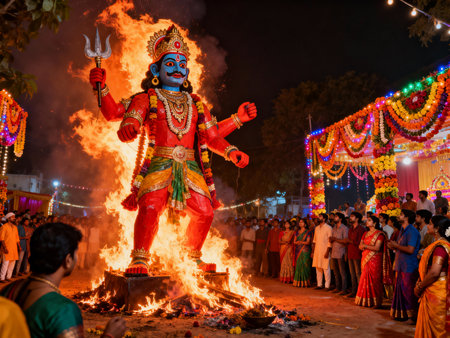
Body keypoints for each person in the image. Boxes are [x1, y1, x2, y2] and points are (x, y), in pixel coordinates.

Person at [89, 25, 256, 276]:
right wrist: (102, 89)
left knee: (205, 212)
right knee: (150, 208)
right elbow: (116, 115)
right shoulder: (146, 98)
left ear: (187, 72)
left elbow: (211, 137)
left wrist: (232, 151)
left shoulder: (197, 103)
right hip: (158, 165)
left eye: (181, 64)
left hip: (189, 168)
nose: (177, 68)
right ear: (156, 70)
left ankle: (192, 257)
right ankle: (140, 258)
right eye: (170, 63)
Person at [0, 223, 126, 338]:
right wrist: (110, 335)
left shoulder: (9, 290)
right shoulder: (64, 310)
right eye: (75, 253)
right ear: (68, 260)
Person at [414, 217, 450, 337]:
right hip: (439, 290)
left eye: (430, 224)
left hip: (436, 293)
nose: (428, 226)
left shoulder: (440, 248)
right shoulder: (442, 245)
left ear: (437, 229)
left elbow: (434, 272)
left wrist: (420, 286)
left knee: (437, 330)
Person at [388, 209, 421, 323]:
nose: (399, 216)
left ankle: (413, 317)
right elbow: (400, 247)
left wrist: (396, 245)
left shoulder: (412, 231)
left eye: (401, 215)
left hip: (409, 266)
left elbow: (411, 249)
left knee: (408, 291)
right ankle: (402, 314)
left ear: (406, 218)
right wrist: (393, 246)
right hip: (401, 265)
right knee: (400, 290)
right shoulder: (402, 230)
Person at [355, 216, 392, 308]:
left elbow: (377, 248)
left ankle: (376, 302)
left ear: (374, 223)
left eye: (369, 220)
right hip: (365, 259)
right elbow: (360, 246)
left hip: (375, 260)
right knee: (364, 278)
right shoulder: (365, 233)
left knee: (375, 280)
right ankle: (365, 300)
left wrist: (365, 246)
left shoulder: (380, 234)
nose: (367, 222)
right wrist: (364, 246)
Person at [341, 212, 366, 298]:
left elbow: (360, 243)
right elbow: (348, 243)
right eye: (350, 216)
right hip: (350, 253)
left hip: (357, 254)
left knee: (358, 273)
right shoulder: (350, 229)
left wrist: (349, 241)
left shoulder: (361, 229)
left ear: (357, 218)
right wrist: (346, 253)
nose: (350, 218)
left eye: (352, 216)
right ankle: (354, 291)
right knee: (352, 274)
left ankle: (360, 292)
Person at [329, 212, 348, 294]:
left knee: (342, 272)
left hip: (341, 252)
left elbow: (345, 241)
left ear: (340, 219)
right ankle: (337, 287)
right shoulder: (334, 228)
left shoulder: (344, 228)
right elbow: (331, 239)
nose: (334, 218)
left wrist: (335, 239)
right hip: (333, 252)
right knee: (335, 272)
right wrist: (331, 239)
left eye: (336, 217)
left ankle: (344, 289)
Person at [312, 213, 332, 290]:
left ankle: (327, 286)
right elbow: (314, 241)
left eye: (320, 217)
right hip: (317, 251)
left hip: (325, 250)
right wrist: (313, 251)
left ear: (324, 219)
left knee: (326, 268)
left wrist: (327, 251)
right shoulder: (316, 228)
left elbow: (330, 241)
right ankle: (319, 284)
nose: (318, 218)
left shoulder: (328, 228)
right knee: (318, 268)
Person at [0, 213, 20, 282]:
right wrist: (5, 248)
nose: (14, 218)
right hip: (7, 248)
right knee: (5, 264)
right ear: (8, 218)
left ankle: (8, 276)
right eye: (13, 217)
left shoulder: (15, 227)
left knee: (12, 264)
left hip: (14, 248)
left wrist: (19, 247)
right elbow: (1, 239)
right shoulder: (4, 227)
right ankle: (2, 278)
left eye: (14, 217)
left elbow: (17, 239)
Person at [293, 218, 312, 287]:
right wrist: (297, 242)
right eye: (299, 222)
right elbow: (294, 242)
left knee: (305, 265)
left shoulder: (308, 232)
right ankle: (298, 282)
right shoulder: (297, 232)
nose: (300, 223)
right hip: (298, 251)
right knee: (298, 265)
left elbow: (308, 242)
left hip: (305, 251)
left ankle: (306, 282)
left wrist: (300, 242)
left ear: (305, 224)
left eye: (302, 222)